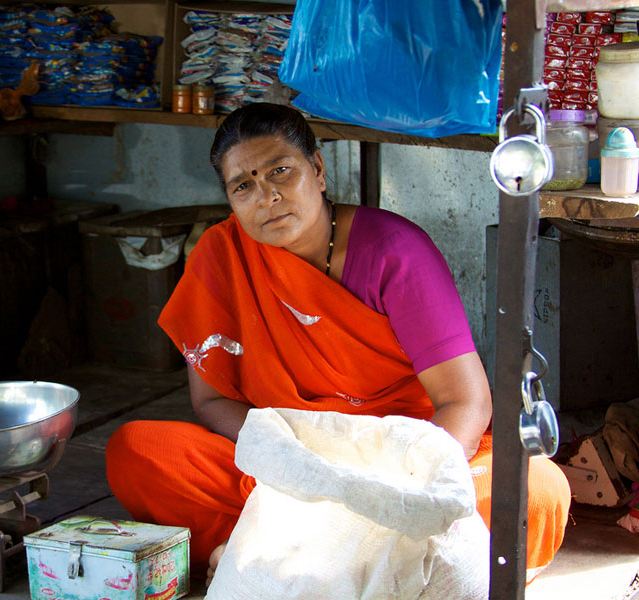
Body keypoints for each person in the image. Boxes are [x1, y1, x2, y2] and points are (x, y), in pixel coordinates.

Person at [105, 102, 571, 585]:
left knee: (536, 490)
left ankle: (267, 551)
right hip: (288, 459)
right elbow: (210, 400)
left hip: (398, 456)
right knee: (138, 452)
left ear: (319, 169)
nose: (266, 196)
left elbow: (465, 401)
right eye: (243, 185)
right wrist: (294, 461)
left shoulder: (394, 251)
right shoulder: (221, 257)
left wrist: (399, 486)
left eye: (281, 171)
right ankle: (349, 557)